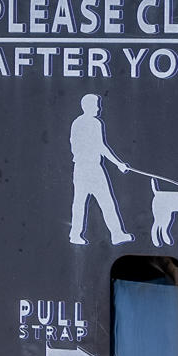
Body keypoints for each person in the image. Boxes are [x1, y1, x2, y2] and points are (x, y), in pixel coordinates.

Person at [69, 93, 130, 246]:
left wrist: (118, 163)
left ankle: (116, 235)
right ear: (87, 106)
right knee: (84, 203)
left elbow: (100, 146)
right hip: (86, 168)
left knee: (102, 202)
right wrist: (118, 164)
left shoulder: (93, 123)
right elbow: (98, 147)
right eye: (96, 105)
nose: (99, 108)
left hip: (91, 168)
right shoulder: (84, 124)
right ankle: (77, 235)